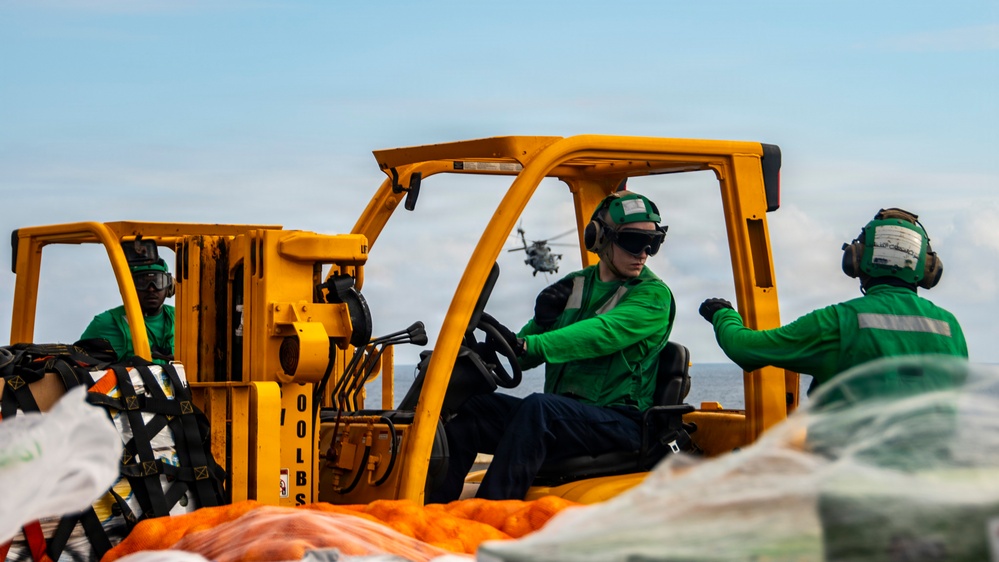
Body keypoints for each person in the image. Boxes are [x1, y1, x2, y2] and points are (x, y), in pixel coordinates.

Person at [428, 191, 675, 503]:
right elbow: (528, 353)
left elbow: (601, 333)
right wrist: (538, 324)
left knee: (540, 408)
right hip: (568, 419)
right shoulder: (577, 284)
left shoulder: (652, 296)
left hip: (622, 423)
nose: (644, 253)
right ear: (599, 238)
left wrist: (531, 341)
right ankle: (435, 509)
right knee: (469, 408)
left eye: (653, 243)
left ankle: (490, 512)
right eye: (633, 242)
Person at [698, 208, 968, 394]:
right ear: (929, 268)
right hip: (932, 475)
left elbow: (744, 349)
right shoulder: (950, 328)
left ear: (857, 259)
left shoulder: (840, 322)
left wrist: (722, 314)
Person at [81, 258, 176, 365]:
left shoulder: (184, 318)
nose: (151, 289)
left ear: (169, 287)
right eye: (142, 282)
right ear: (128, 287)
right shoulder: (105, 323)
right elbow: (79, 364)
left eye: (159, 281)